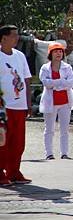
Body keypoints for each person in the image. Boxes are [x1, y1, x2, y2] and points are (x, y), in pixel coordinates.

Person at [0, 25, 32, 186]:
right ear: (4, 38)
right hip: (3, 107)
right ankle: (1, 173)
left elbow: (26, 79)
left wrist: (29, 102)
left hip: (19, 105)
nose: (17, 38)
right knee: (3, 142)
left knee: (18, 143)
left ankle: (14, 172)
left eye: (17, 34)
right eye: (13, 35)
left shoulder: (20, 56)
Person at [39, 43, 73, 160]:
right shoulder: (45, 68)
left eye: (60, 51)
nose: (58, 53)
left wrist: (55, 83)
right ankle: (49, 153)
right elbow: (46, 83)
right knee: (49, 128)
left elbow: (70, 83)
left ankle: (64, 153)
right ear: (50, 53)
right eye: (55, 51)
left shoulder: (67, 67)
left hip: (65, 102)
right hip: (50, 102)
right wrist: (61, 82)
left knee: (64, 129)